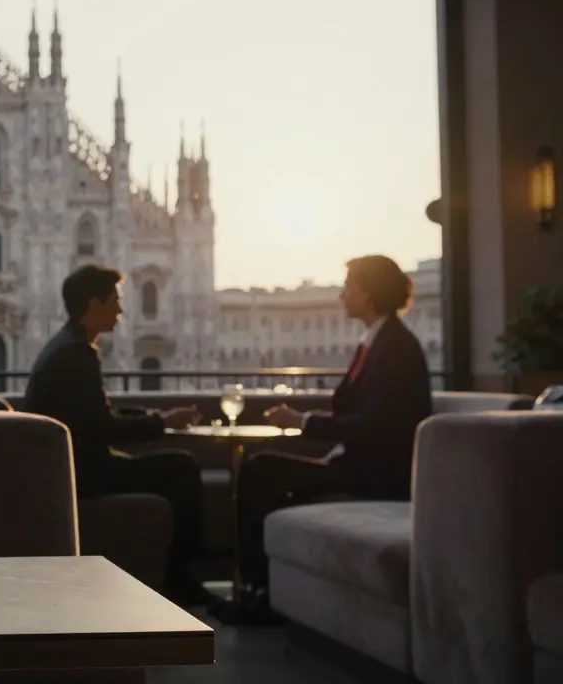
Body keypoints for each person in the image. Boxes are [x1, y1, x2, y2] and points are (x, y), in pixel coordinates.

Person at [223, 254, 433, 623]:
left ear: (367, 293)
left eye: (348, 286)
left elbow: (371, 424)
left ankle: (259, 591)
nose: (341, 295)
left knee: (261, 470)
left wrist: (302, 421)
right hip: (359, 462)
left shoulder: (394, 347)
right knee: (265, 467)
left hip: (377, 473)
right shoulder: (379, 341)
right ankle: (261, 588)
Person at [24, 265, 210, 606]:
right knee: (181, 468)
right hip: (85, 473)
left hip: (71, 466)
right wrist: (158, 423)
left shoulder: (67, 346)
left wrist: (157, 418)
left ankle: (177, 575)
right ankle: (181, 578)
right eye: (115, 301)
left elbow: (94, 415)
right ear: (94, 304)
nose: (121, 310)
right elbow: (103, 427)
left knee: (174, 466)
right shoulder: (77, 355)